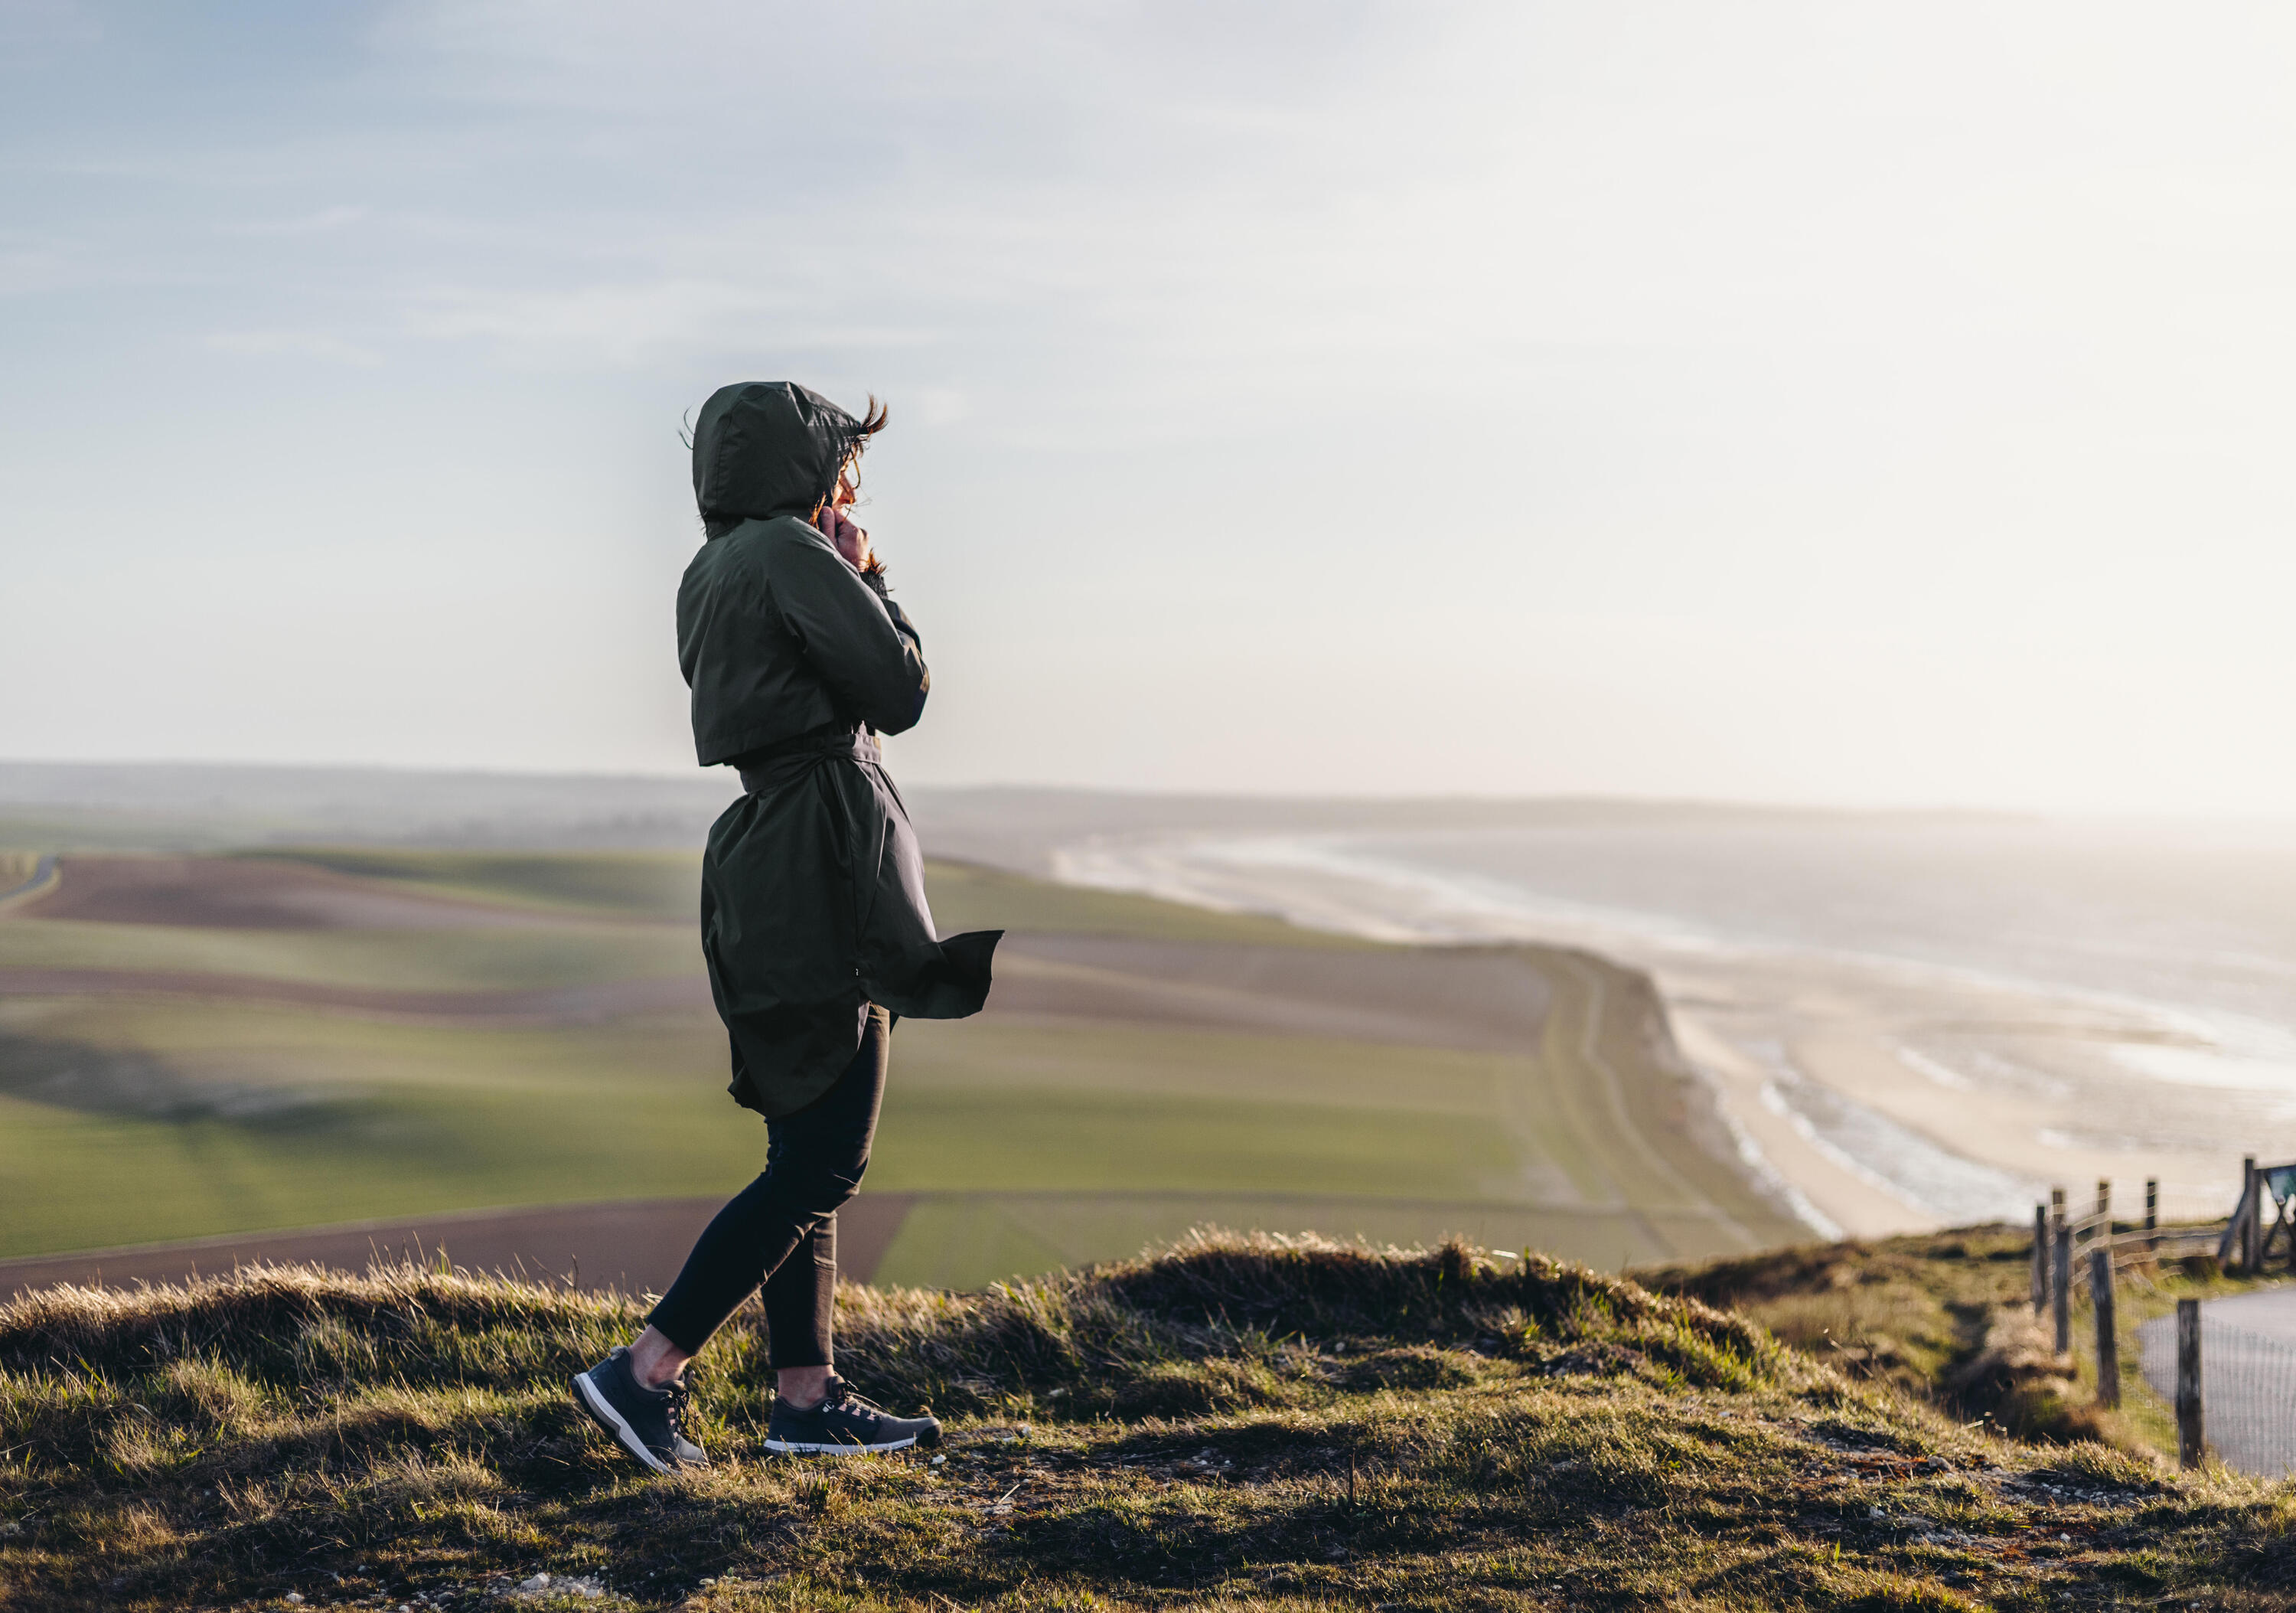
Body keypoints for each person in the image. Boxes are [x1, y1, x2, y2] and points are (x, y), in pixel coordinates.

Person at [572, 381, 1000, 1471]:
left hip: (768, 854)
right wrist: (868, 572)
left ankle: (803, 1403)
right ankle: (645, 1372)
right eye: (840, 476)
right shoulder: (788, 554)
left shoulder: (708, 571)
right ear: (807, 474)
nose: (843, 495)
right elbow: (900, 690)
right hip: (821, 860)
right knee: (824, 1163)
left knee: (801, 1140)